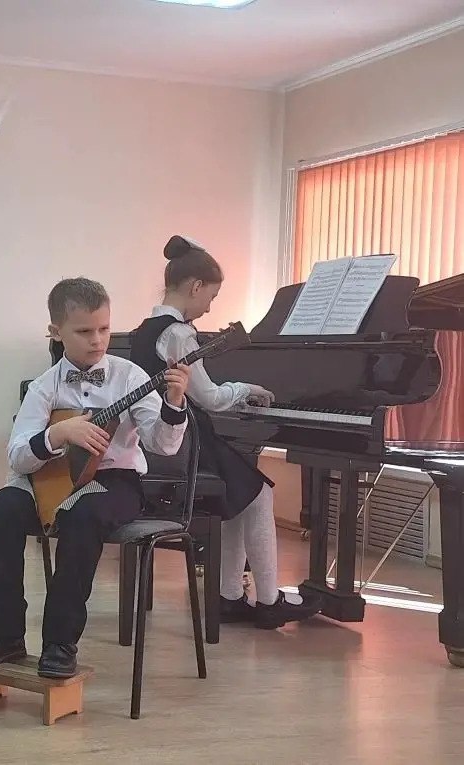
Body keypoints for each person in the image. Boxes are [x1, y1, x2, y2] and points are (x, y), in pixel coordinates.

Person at [0, 277, 191, 677]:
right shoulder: (44, 386)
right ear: (56, 332)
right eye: (84, 331)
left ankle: (60, 642)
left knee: (83, 516)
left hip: (114, 481)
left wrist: (174, 403)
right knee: (0, 509)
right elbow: (17, 456)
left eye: (104, 328)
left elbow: (163, 445)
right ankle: (7, 633)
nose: (97, 340)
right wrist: (58, 434)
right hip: (50, 482)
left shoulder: (130, 377)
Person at [130, 235, 321, 629]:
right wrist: (247, 389)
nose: (209, 307)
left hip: (163, 441)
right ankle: (269, 600)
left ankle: (230, 595)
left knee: (239, 495)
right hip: (186, 442)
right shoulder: (179, 333)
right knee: (260, 494)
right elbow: (211, 398)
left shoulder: (146, 329)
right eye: (211, 297)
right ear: (195, 286)